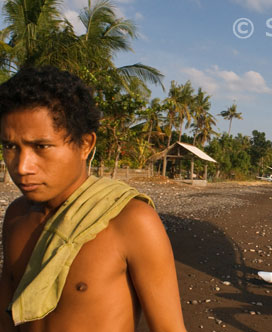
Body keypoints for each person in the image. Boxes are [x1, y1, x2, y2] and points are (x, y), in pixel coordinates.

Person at [0, 67, 187, 331]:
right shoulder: (17, 216)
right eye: (10, 147)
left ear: (85, 145)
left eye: (41, 147)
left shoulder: (131, 222)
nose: (21, 167)